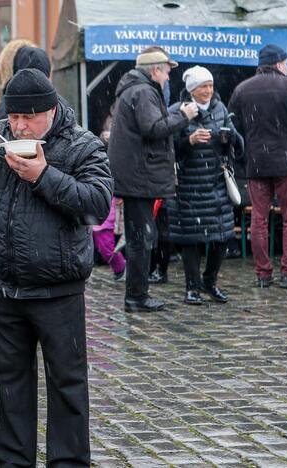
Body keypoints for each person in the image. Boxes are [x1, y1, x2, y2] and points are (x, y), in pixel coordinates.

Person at [0, 68, 112, 466]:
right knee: (11, 388)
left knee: (67, 388)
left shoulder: (81, 145)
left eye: (28, 119)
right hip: (5, 289)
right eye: (14, 117)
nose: (18, 126)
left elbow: (98, 203)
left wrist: (43, 176)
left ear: (50, 111)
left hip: (59, 292)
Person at [107, 46, 198, 312]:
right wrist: (183, 115)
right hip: (139, 178)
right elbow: (153, 128)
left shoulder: (135, 89)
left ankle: (137, 295)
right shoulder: (144, 91)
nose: (169, 76)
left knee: (141, 237)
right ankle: (136, 297)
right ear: (156, 70)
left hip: (135, 176)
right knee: (141, 239)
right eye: (168, 71)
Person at [229, 44, 287, 288]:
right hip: (286, 162)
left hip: (256, 163)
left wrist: (246, 151)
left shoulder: (242, 89)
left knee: (259, 218)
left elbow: (231, 127)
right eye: (286, 63)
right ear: (278, 63)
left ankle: (263, 273)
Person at [166, 65, 237, 305]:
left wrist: (228, 138)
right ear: (192, 90)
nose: (208, 91)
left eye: (210, 86)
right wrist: (189, 141)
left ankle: (210, 281)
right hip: (189, 185)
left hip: (216, 182)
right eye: (203, 87)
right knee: (191, 240)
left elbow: (237, 142)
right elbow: (168, 148)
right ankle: (192, 288)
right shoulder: (178, 111)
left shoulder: (221, 108)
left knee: (222, 236)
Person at [93, 197, 125, 281]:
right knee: (104, 249)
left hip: (105, 218)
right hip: (98, 214)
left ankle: (121, 268)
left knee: (108, 249)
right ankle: (120, 269)